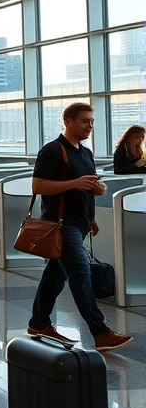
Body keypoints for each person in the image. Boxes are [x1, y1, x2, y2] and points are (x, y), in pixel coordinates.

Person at [27, 102, 132, 352]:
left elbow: (89, 185)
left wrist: (97, 196)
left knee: (55, 275)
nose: (90, 126)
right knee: (80, 274)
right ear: (69, 122)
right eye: (85, 121)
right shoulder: (53, 150)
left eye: (92, 121)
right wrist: (74, 183)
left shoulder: (86, 153)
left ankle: (39, 322)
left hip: (80, 223)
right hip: (60, 224)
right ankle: (100, 331)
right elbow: (38, 186)